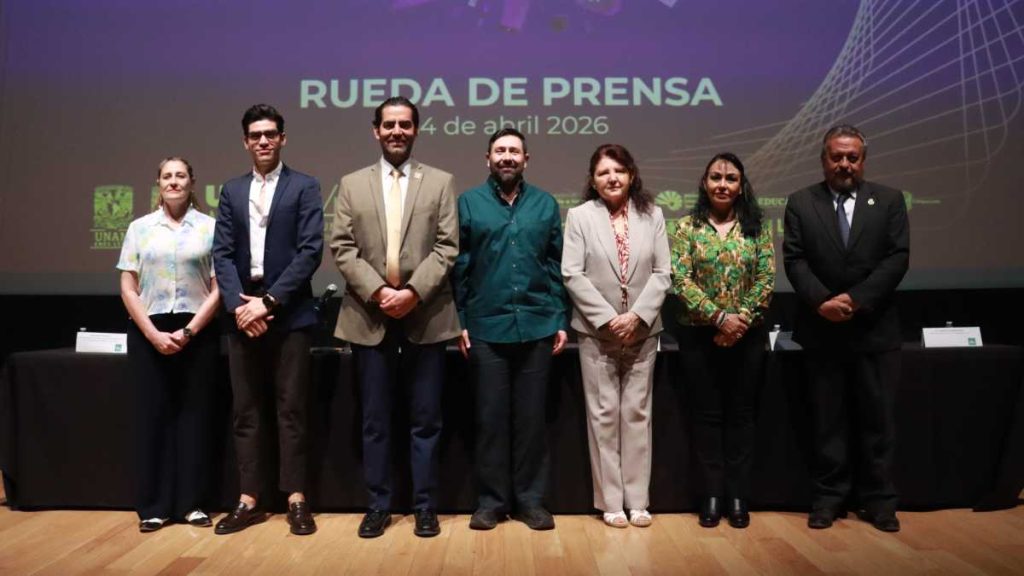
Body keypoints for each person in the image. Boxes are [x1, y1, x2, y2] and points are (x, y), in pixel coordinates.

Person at [331, 96, 459, 539]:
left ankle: (425, 506)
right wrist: (381, 291)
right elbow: (342, 247)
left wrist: (412, 293)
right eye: (389, 125)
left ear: (416, 130)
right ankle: (378, 505)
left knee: (426, 419)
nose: (397, 132)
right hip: (370, 315)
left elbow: (447, 248)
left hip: (427, 315)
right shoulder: (351, 184)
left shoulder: (441, 182)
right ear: (375, 130)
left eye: (405, 125)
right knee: (375, 419)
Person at [783, 124, 909, 532]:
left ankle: (879, 502)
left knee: (879, 423)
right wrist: (823, 301)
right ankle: (828, 499)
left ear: (863, 160)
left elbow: (897, 257)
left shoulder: (889, 200)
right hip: (822, 331)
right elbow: (795, 259)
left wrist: (854, 300)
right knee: (828, 423)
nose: (844, 164)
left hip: (874, 331)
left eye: (852, 157)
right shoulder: (801, 202)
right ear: (823, 159)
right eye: (836, 156)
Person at [212, 103, 324, 536]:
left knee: (291, 410)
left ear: (282, 138)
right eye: (255, 135)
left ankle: (296, 497)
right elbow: (221, 253)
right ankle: (250, 498)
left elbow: (310, 251)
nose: (263, 141)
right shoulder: (232, 190)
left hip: (289, 314)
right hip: (242, 315)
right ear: (245, 141)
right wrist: (242, 307)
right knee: (246, 411)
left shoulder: (305, 186)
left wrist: (270, 301)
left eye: (270, 134)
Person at [453, 127, 568, 531]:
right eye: (499, 151)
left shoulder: (545, 204)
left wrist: (559, 318)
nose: (507, 157)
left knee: (532, 420)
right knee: (490, 420)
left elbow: (556, 266)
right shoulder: (469, 203)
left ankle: (531, 502)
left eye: (514, 151)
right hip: (486, 328)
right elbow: (460, 269)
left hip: (537, 325)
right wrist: (461, 321)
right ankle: (491, 502)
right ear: (487, 159)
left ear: (526, 159)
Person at [562, 144, 671, 528]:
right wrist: (610, 319)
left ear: (631, 175)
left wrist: (638, 316)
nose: (612, 178)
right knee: (604, 415)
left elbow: (663, 273)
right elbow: (572, 273)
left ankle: (638, 501)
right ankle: (611, 501)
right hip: (597, 333)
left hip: (642, 332)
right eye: (604, 172)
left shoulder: (652, 214)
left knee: (637, 415)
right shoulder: (579, 217)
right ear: (593, 180)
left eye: (619, 171)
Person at [671, 152, 775, 529]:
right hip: (699, 337)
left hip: (747, 338)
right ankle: (712, 495)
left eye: (731, 178)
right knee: (707, 417)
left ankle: (738, 497)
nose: (722, 184)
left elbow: (766, 278)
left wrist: (739, 321)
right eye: (715, 177)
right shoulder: (686, 228)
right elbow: (679, 279)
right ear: (704, 183)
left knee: (742, 418)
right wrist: (718, 318)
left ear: (741, 186)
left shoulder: (757, 228)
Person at [117, 157, 220, 533]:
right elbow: (128, 286)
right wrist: (152, 333)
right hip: (150, 330)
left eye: (181, 176)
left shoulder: (210, 227)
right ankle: (154, 506)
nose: (174, 182)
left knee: (195, 417)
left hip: (197, 330)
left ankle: (192, 503)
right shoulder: (139, 228)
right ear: (157, 183)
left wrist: (189, 331)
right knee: (153, 418)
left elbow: (219, 287)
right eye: (167, 176)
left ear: (193, 182)